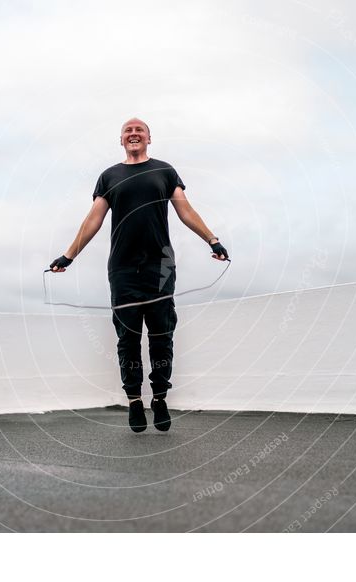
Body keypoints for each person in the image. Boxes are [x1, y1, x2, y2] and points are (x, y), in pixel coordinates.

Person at [49, 118, 228, 433]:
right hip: (122, 268)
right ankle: (134, 401)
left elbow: (185, 210)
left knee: (162, 336)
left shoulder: (164, 171)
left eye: (139, 130)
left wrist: (212, 239)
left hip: (161, 265)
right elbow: (93, 219)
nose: (134, 134)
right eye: (128, 131)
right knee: (127, 339)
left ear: (149, 138)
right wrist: (69, 255)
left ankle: (159, 398)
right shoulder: (109, 176)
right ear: (121, 140)